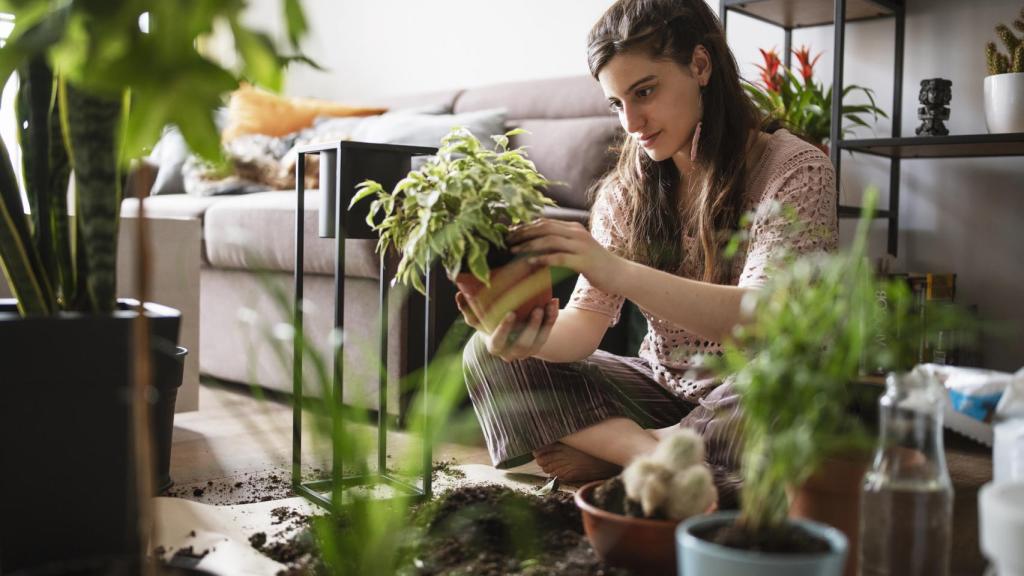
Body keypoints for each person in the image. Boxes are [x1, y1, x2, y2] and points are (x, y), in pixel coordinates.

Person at [457, 0, 837, 504]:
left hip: (752, 390)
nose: (632, 121)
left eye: (645, 92)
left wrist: (614, 269)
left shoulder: (797, 168)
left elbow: (763, 318)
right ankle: (658, 462)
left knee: (803, 383)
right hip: (660, 388)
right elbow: (583, 330)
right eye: (617, 103)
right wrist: (521, 335)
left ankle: (620, 454)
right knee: (485, 354)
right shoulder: (624, 192)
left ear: (700, 65)